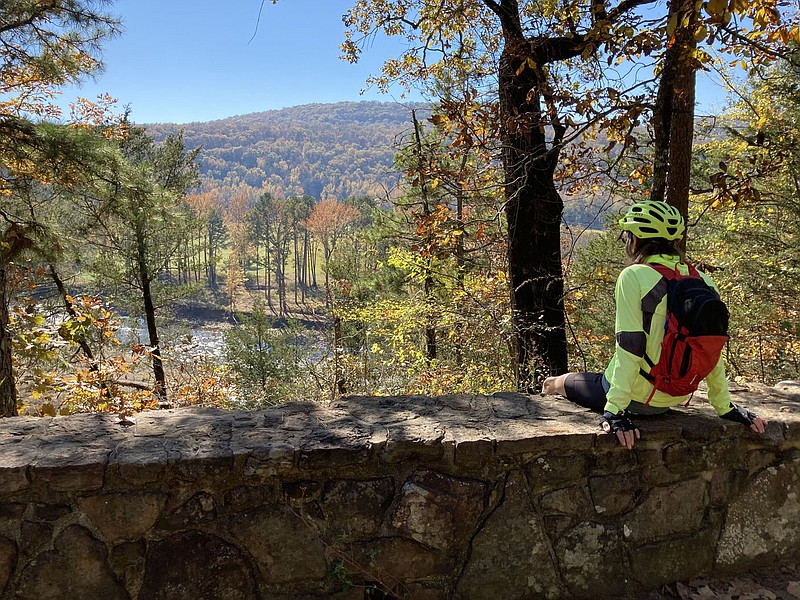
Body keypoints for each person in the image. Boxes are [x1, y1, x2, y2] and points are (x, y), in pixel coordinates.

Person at [542, 200, 768, 449]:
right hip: (675, 395)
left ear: (635, 240)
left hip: (636, 398)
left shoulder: (634, 276)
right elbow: (710, 348)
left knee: (557, 383)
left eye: (625, 236)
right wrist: (724, 406)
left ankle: (546, 392)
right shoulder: (704, 281)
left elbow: (630, 347)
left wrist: (615, 410)